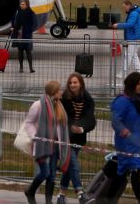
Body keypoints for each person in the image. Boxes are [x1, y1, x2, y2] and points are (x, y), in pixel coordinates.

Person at [23, 81, 71, 204]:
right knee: (45, 172)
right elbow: (28, 123)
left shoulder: (59, 106)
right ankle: (30, 191)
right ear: (54, 92)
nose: (61, 92)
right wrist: (36, 136)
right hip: (42, 145)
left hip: (55, 146)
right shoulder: (38, 105)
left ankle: (48, 201)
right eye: (59, 90)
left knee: (52, 176)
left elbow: (62, 127)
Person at [57, 73, 96, 204]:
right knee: (74, 164)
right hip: (65, 137)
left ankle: (61, 195)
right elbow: (60, 117)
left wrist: (82, 128)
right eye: (70, 83)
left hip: (79, 138)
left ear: (81, 84)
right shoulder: (63, 99)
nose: (72, 85)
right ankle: (80, 194)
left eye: (75, 82)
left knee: (69, 166)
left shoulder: (88, 99)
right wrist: (70, 127)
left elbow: (91, 120)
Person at [111, 72, 140, 204]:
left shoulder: (138, 99)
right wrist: (125, 132)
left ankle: (110, 199)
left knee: (132, 171)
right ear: (132, 84)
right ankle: (139, 200)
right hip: (126, 143)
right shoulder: (122, 101)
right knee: (125, 171)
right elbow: (116, 121)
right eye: (139, 84)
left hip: (137, 143)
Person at [112, 1, 140, 79]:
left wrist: (118, 25)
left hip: (134, 38)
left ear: (128, 5)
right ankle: (138, 72)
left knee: (128, 55)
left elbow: (130, 24)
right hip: (135, 37)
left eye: (125, 7)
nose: (124, 9)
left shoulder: (133, 13)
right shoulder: (134, 12)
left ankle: (122, 72)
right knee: (134, 55)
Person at [12, 0, 37, 74]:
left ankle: (31, 67)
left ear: (27, 5)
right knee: (20, 51)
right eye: (21, 4)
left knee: (28, 51)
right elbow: (14, 21)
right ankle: (21, 67)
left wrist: (28, 30)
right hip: (19, 34)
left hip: (27, 34)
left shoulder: (31, 13)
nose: (21, 5)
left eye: (23, 4)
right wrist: (14, 27)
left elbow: (34, 23)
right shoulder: (17, 12)